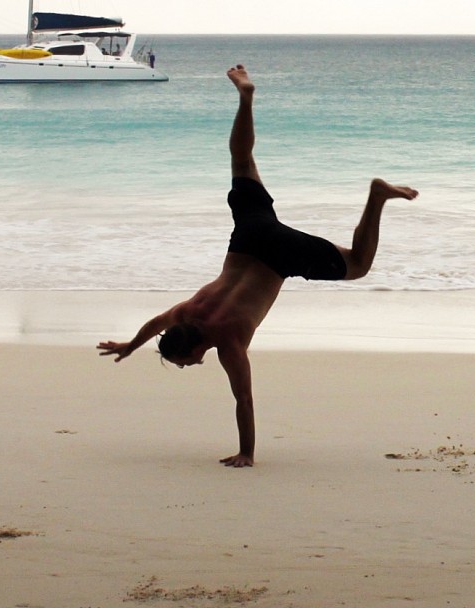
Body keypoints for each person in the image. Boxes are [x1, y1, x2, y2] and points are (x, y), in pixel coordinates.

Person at [98, 65, 416, 466]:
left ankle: (377, 198)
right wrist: (131, 345)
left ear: (196, 348)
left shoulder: (227, 342)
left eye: (185, 362)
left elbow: (243, 400)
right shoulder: (184, 313)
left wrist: (247, 453)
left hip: (280, 256)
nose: (190, 366)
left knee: (359, 264)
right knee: (241, 158)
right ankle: (245, 97)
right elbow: (155, 322)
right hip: (251, 237)